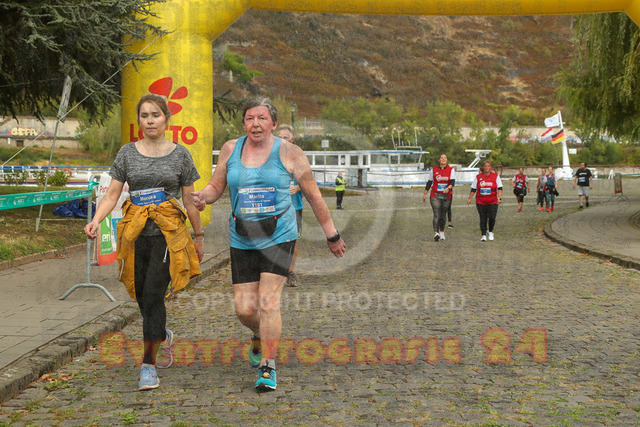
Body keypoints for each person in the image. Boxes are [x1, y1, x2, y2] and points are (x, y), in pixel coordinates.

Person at [191, 97, 346, 392]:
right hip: (242, 236)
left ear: (273, 123)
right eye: (250, 118)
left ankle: (268, 366)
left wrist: (332, 235)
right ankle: (257, 334)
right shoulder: (230, 149)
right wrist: (203, 197)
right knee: (244, 310)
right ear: (243, 124)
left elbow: (313, 196)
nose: (256, 124)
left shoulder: (291, 152)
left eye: (262, 118)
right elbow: (215, 186)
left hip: (279, 235)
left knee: (268, 302)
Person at [84, 94, 204, 391]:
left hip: (168, 235)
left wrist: (199, 236)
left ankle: (148, 365)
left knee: (153, 294)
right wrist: (96, 220)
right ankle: (160, 334)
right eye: (145, 115)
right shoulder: (127, 153)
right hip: (135, 234)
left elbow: (189, 199)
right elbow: (112, 194)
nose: (150, 121)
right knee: (140, 293)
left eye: (156, 115)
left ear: (166, 119)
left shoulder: (180, 154)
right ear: (139, 120)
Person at [277, 124, 302, 287]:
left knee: (293, 240)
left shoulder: (298, 158)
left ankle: (290, 272)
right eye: (279, 138)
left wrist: (297, 187)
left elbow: (309, 183)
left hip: (294, 206)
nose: (282, 141)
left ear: (292, 139)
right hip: (275, 207)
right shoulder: (270, 156)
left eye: (285, 138)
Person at [422, 154, 455, 241]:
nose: (443, 159)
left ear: (447, 160)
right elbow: (429, 182)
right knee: (436, 214)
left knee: (443, 215)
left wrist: (448, 188)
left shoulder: (451, 170)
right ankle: (436, 233)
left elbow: (452, 182)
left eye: (445, 158)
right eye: (442, 158)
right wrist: (425, 194)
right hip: (435, 195)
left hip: (446, 195)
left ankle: (442, 232)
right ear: (439, 160)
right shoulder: (434, 170)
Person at [467, 160, 503, 241]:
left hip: (492, 201)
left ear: (490, 167)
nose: (487, 168)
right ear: (483, 167)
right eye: (485, 166)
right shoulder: (478, 177)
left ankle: (490, 231)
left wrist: (499, 198)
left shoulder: (495, 176)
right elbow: (473, 188)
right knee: (483, 218)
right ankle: (483, 235)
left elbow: (500, 187)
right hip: (481, 201)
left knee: (492, 217)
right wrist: (470, 198)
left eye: (488, 166)